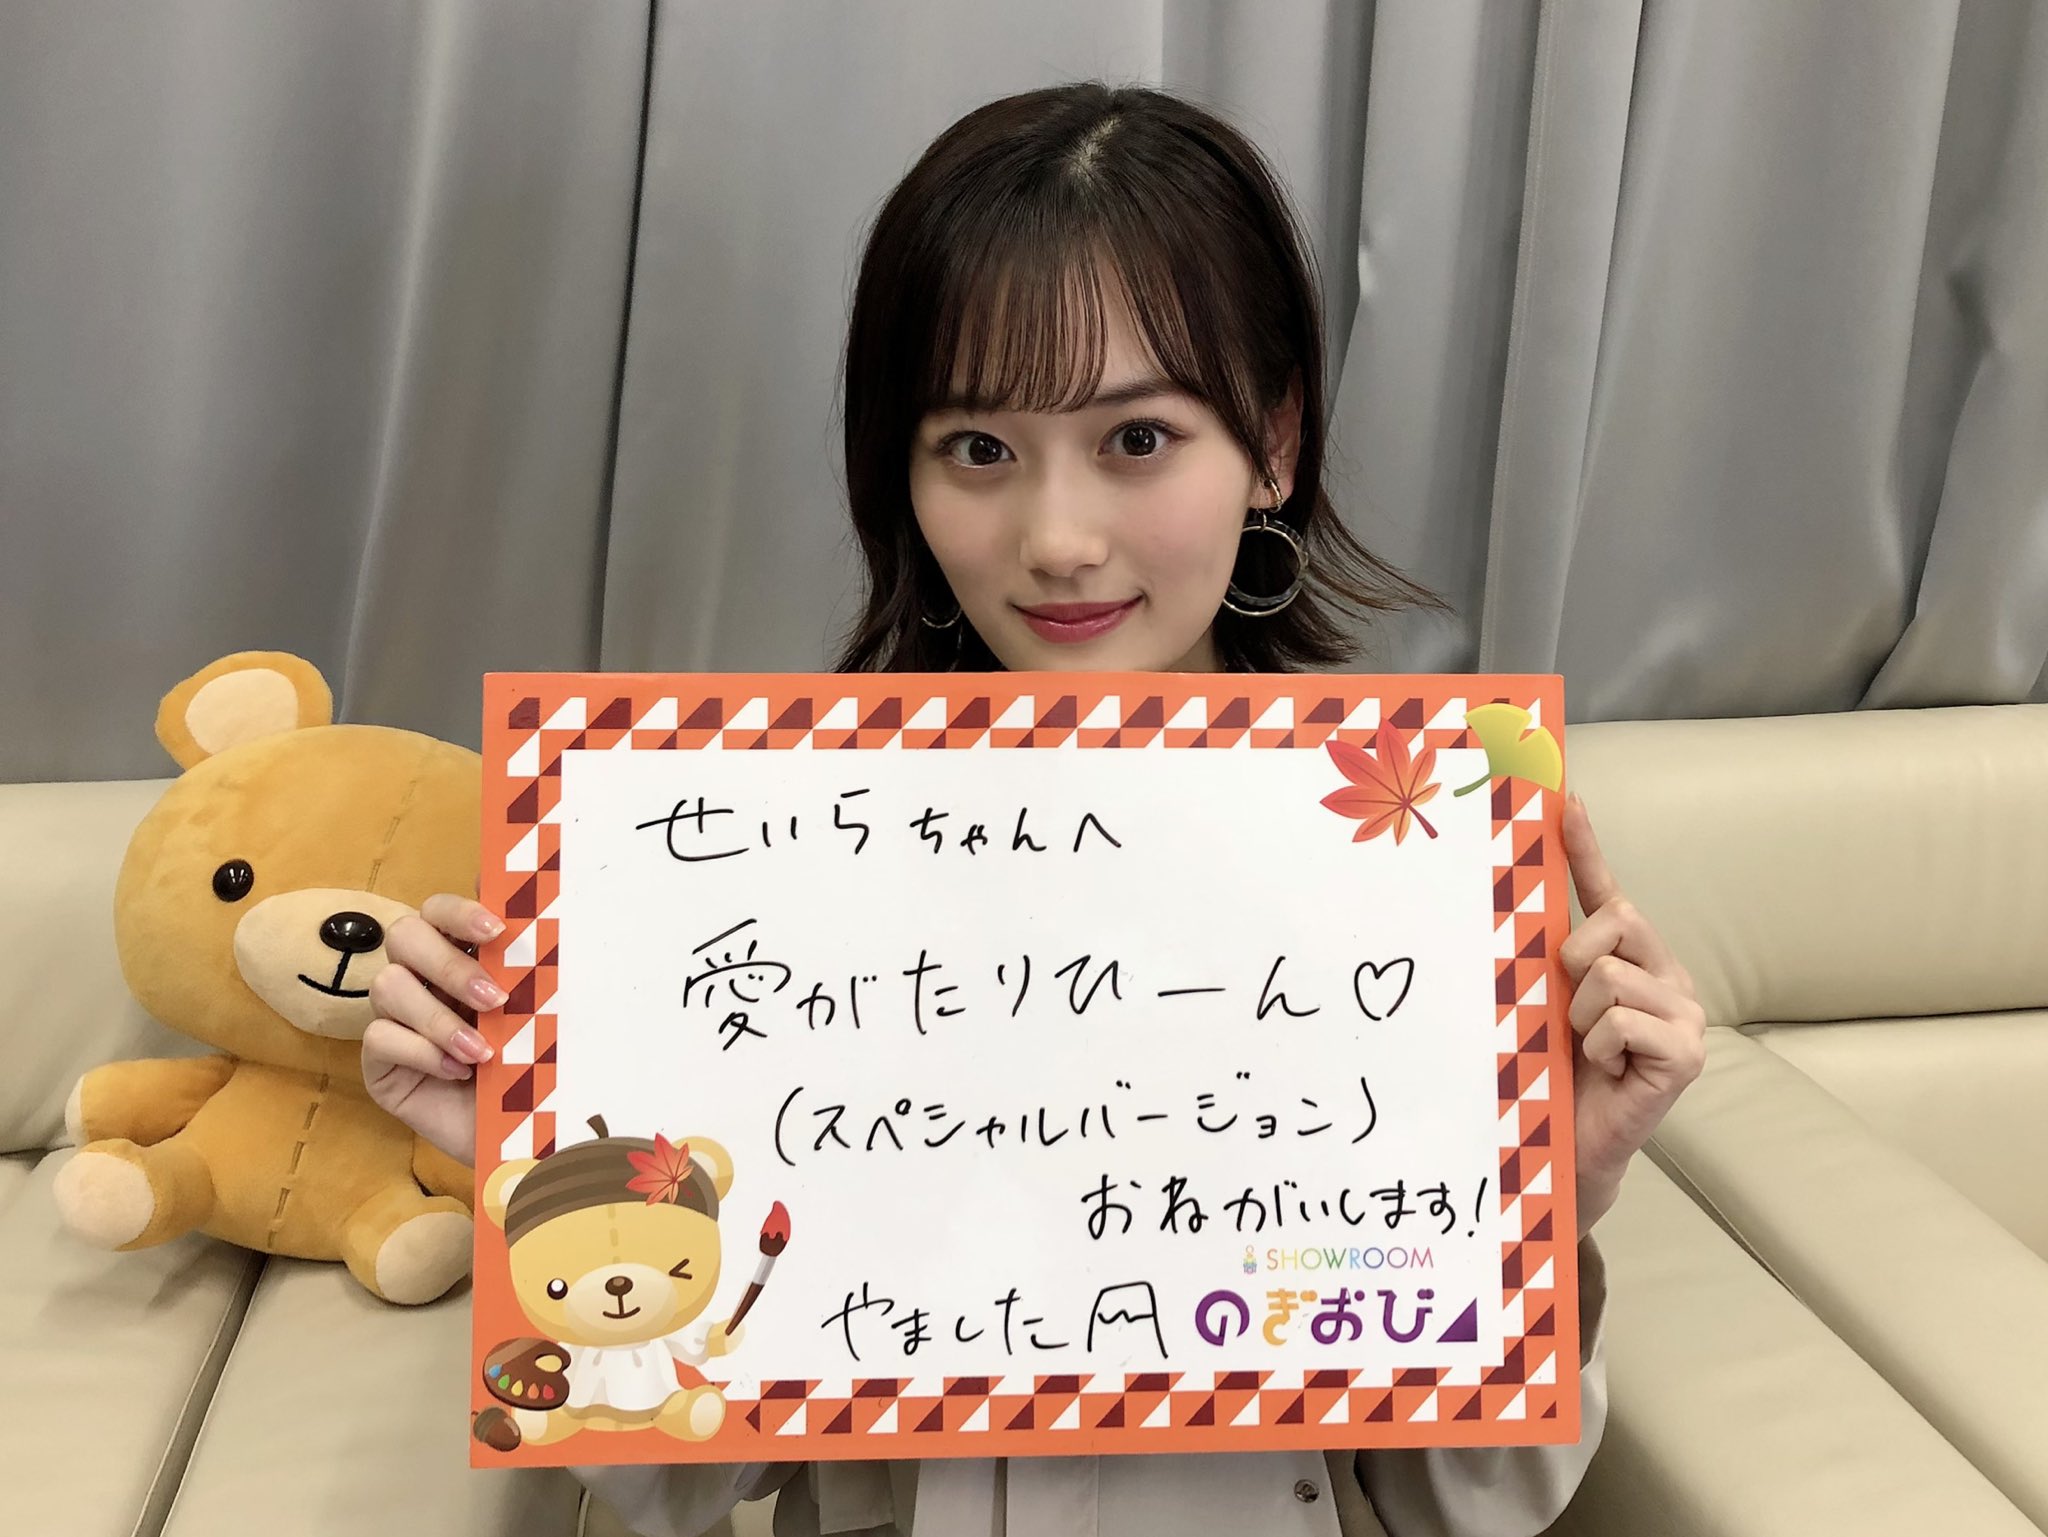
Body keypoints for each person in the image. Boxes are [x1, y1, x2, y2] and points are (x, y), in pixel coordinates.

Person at [364, 82, 1707, 1537]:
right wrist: (532, 1158)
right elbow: (675, 1481)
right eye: (980, 450)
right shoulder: (760, 862)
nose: (1057, 541)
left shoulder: (1412, 864)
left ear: (1273, 440)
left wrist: (1554, 1195)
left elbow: (1475, 1509)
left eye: (1138, 440)